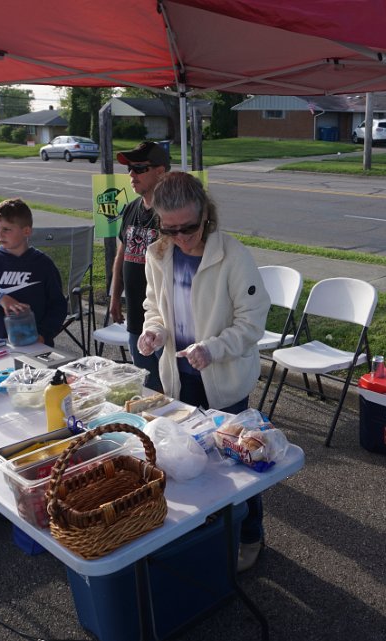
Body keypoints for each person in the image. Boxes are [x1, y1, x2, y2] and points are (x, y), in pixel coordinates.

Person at [136, 172, 271, 572]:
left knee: (238, 463)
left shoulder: (232, 256)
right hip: (180, 377)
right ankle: (210, 529)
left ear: (205, 215)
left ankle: (251, 534)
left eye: (189, 228)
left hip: (224, 381)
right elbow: (154, 307)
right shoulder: (158, 254)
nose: (180, 238)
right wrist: (154, 332)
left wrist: (213, 349)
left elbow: (252, 322)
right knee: (191, 459)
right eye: (169, 229)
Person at [110, 140, 170, 391]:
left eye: (139, 168)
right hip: (136, 318)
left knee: (171, 391)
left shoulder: (172, 213)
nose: (132, 175)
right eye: (129, 169)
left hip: (164, 322)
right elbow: (122, 253)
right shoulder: (131, 208)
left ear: (160, 172)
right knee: (148, 389)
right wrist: (115, 296)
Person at [0, 198, 68, 346]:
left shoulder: (43, 264)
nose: (0, 234)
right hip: (1, 345)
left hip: (37, 344)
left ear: (26, 231)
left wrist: (43, 334)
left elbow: (58, 306)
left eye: (6, 229)